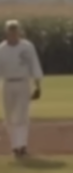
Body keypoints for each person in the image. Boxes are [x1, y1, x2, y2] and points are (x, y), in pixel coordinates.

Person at [0, 20, 43, 159]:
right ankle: (14, 146)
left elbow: (34, 64)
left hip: (23, 83)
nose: (13, 33)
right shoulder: (2, 49)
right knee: (9, 117)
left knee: (22, 116)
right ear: (7, 32)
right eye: (10, 30)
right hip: (8, 83)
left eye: (15, 30)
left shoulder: (27, 47)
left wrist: (37, 85)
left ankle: (22, 146)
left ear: (19, 32)